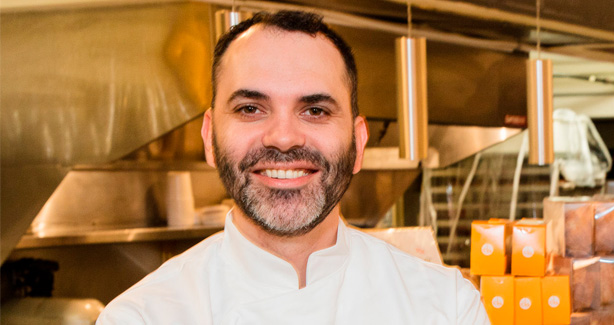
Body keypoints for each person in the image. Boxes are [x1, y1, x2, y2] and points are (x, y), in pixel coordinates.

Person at [97, 10, 489, 324]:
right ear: (209, 138)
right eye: (250, 109)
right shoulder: (141, 316)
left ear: (359, 143)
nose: (283, 138)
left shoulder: (446, 307)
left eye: (315, 110)